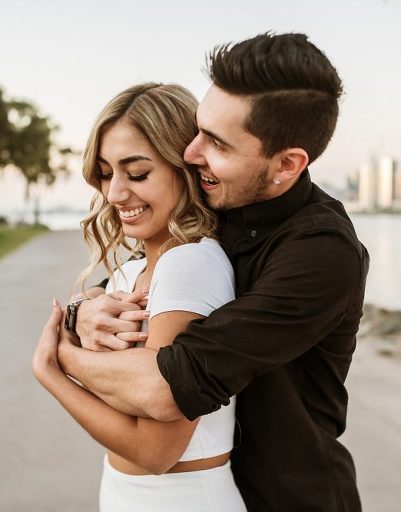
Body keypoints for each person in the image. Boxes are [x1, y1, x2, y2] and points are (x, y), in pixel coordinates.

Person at [57, 33, 369, 511]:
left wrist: (58, 359)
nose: (190, 152)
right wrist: (82, 310)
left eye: (217, 143)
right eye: (199, 130)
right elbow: (136, 280)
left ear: (287, 164)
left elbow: (169, 387)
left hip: (286, 499)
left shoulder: (320, 253)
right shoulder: (214, 202)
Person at [32, 83, 247, 511]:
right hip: (125, 492)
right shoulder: (130, 272)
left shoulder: (191, 264)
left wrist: (54, 371)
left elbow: (156, 451)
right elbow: (127, 397)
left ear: (183, 168)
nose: (114, 194)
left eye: (137, 173)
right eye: (107, 173)